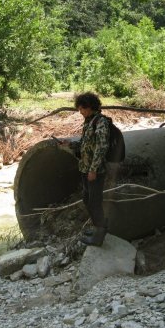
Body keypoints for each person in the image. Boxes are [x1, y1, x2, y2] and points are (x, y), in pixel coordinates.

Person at [61, 92, 109, 246]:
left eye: (81, 109)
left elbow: (102, 147)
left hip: (95, 171)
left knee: (95, 202)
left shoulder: (100, 122)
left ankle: (99, 237)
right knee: (87, 200)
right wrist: (69, 144)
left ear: (89, 107)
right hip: (85, 168)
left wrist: (93, 169)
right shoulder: (89, 122)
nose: (80, 112)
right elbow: (84, 145)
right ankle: (97, 229)